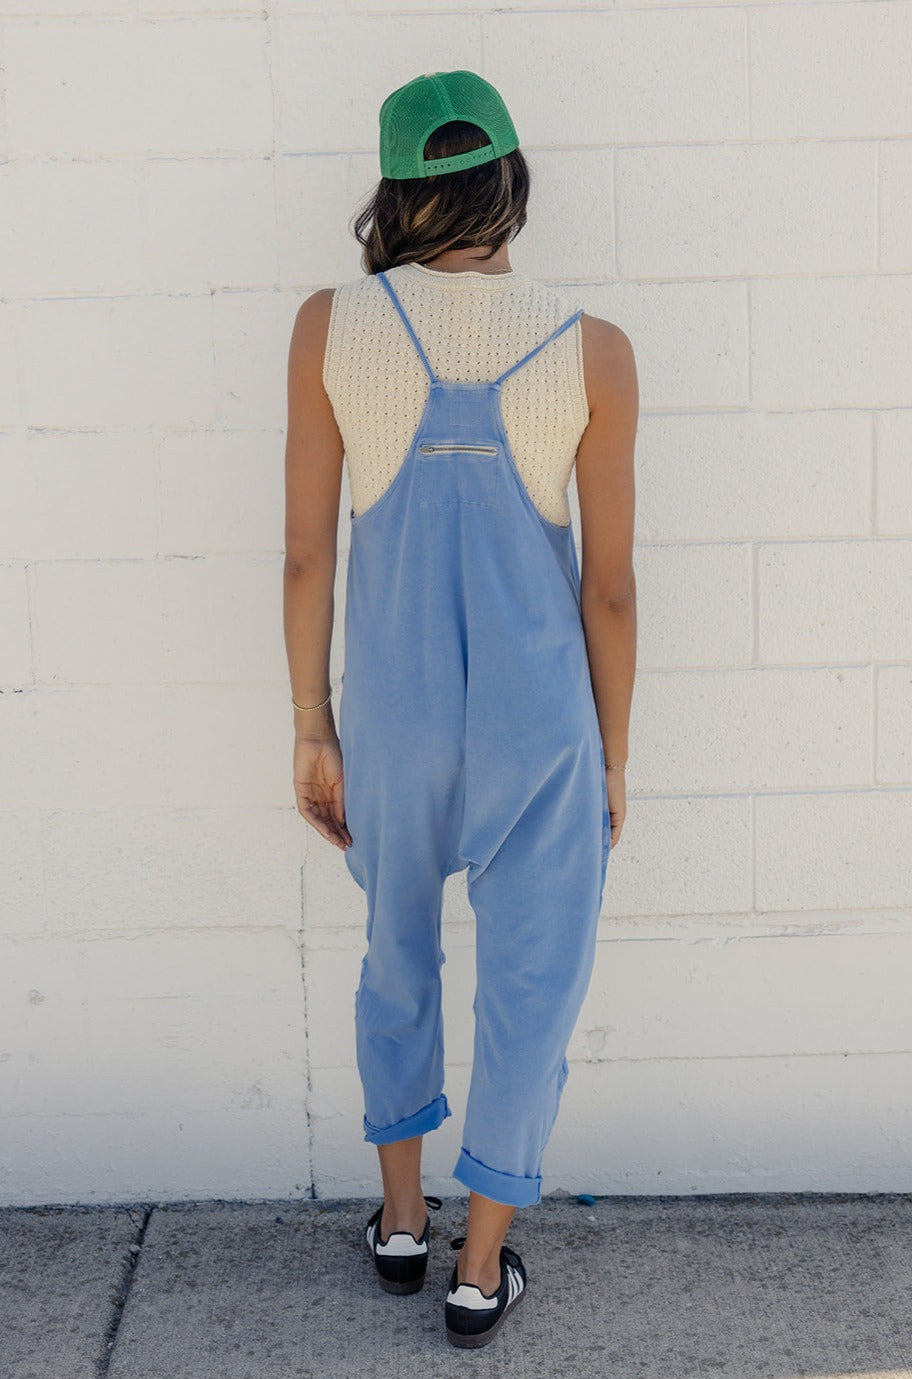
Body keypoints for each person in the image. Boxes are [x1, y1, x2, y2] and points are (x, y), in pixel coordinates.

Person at [283, 70, 638, 1348]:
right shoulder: (593, 346)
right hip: (542, 722)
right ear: (510, 178)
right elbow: (609, 590)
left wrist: (312, 723)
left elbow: (307, 557)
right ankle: (480, 1268)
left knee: (396, 954)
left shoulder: (330, 327)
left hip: (395, 712)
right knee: (532, 985)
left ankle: (398, 1221)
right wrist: (612, 758)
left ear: (395, 190)